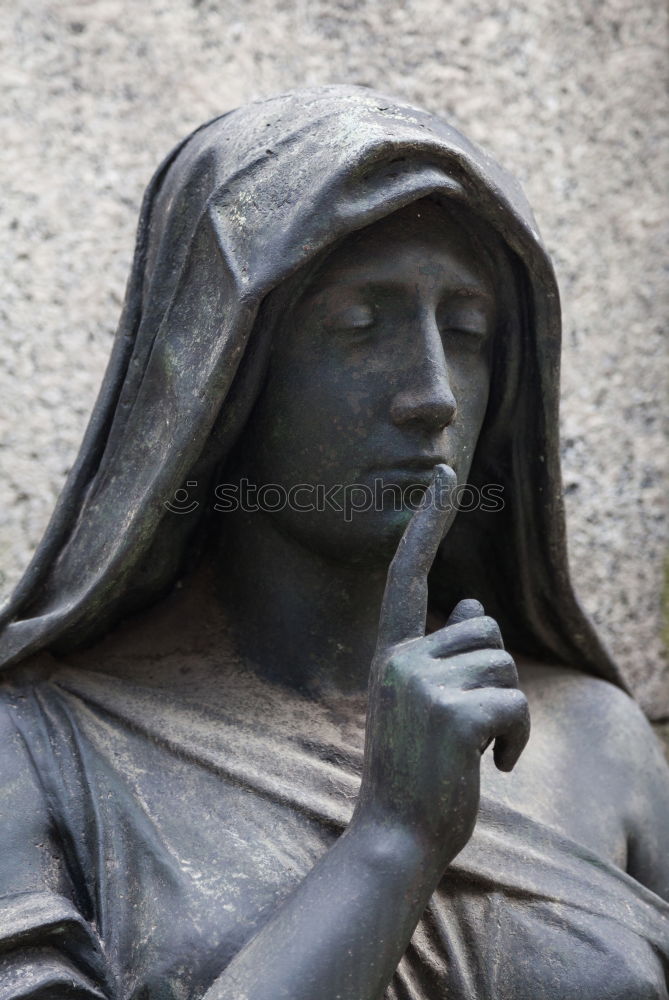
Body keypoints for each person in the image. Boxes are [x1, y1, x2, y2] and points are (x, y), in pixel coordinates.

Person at [0, 86, 667, 1000]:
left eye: (467, 334)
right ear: (222, 372)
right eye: (358, 327)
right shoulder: (41, 751)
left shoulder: (599, 743)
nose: (432, 394)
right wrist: (390, 841)